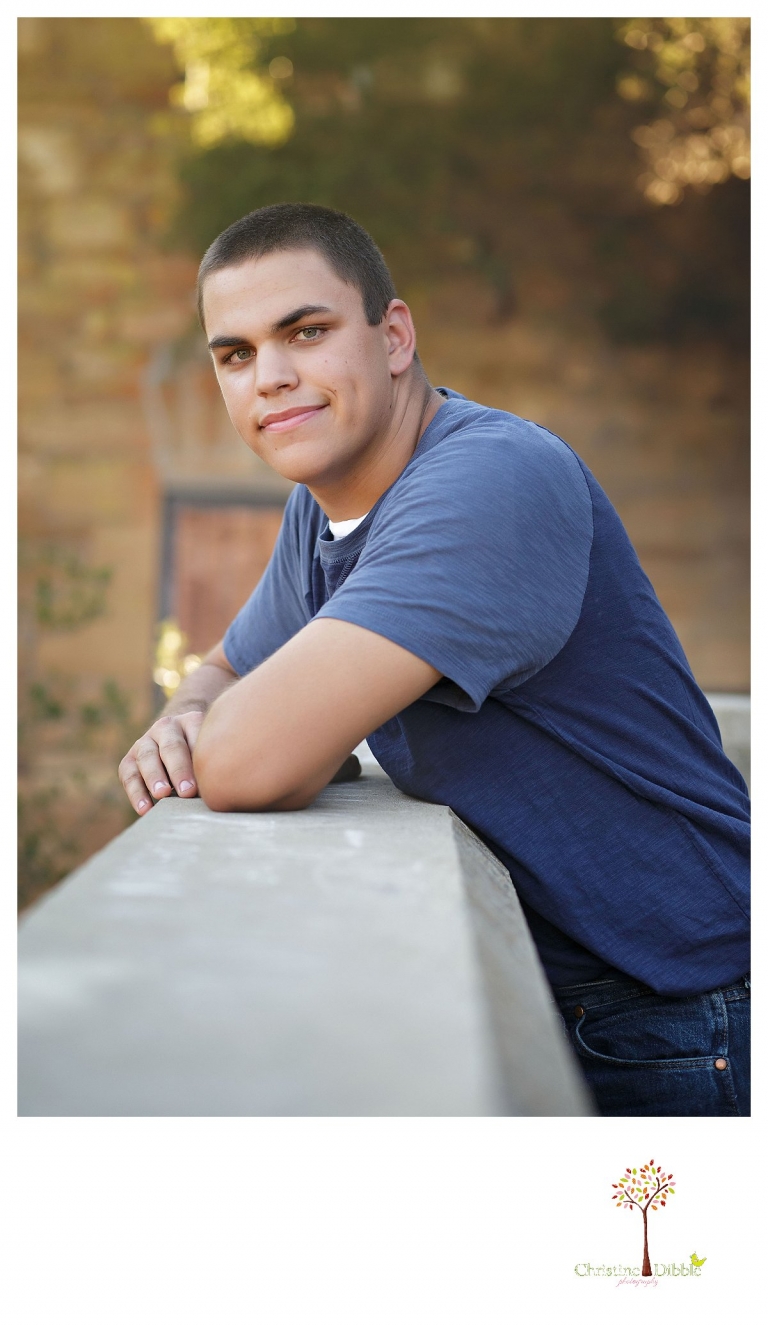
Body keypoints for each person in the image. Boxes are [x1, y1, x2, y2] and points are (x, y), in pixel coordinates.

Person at [118, 203, 750, 1118]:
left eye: (307, 331)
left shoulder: (489, 482)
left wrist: (242, 733)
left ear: (395, 335)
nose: (273, 378)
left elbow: (247, 762)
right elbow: (226, 670)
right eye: (237, 354)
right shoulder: (325, 511)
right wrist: (190, 714)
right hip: (586, 992)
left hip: (690, 1012)